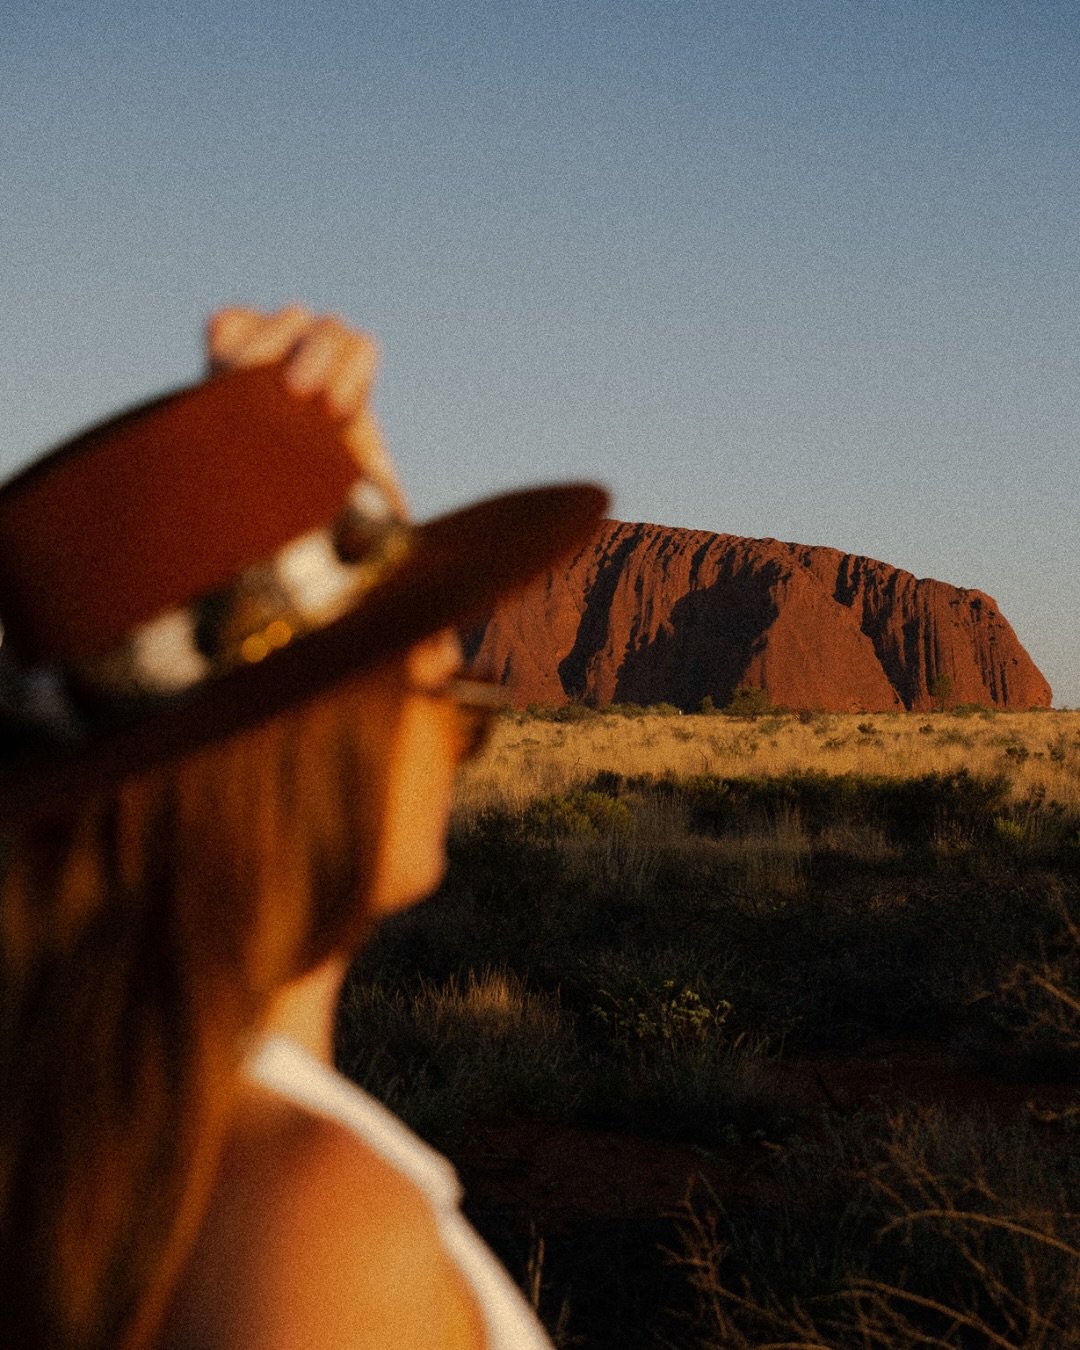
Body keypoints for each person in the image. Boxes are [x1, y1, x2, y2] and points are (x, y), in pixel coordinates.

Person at [0, 307, 608, 1349]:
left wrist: (277, 479)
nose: (461, 744)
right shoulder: (318, 1230)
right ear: (327, 758)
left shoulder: (97, 1119)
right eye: (450, 701)